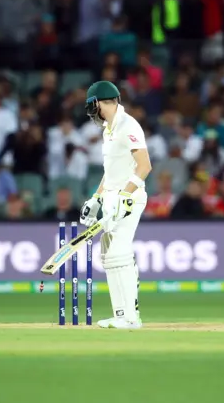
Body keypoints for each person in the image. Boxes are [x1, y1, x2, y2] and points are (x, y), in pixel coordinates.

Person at [78, 81, 152, 330]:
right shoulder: (108, 129)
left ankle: (132, 317)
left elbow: (144, 166)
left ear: (97, 103)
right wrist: (96, 198)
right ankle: (120, 314)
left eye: (92, 106)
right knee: (108, 255)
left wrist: (123, 196)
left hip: (129, 199)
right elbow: (111, 172)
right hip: (112, 197)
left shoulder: (128, 125)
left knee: (120, 252)